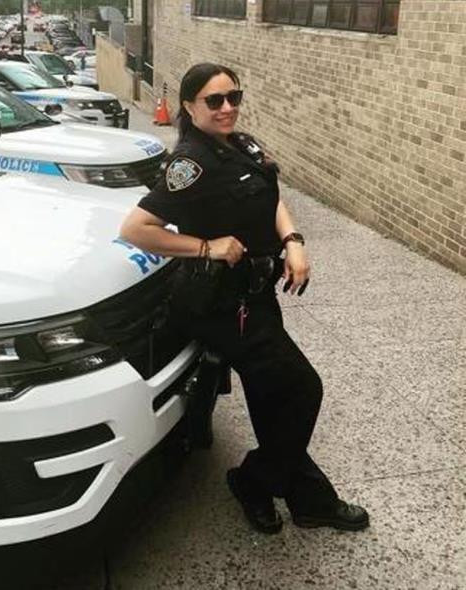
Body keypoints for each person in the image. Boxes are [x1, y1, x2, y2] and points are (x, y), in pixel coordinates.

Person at [119, 63, 369, 534]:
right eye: (215, 101)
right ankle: (254, 482)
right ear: (190, 107)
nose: (228, 107)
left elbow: (270, 196)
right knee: (301, 388)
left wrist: (293, 239)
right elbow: (136, 229)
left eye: (234, 96)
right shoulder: (190, 164)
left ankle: (310, 499)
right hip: (219, 305)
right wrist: (206, 246)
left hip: (255, 294)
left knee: (271, 393)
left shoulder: (241, 144)